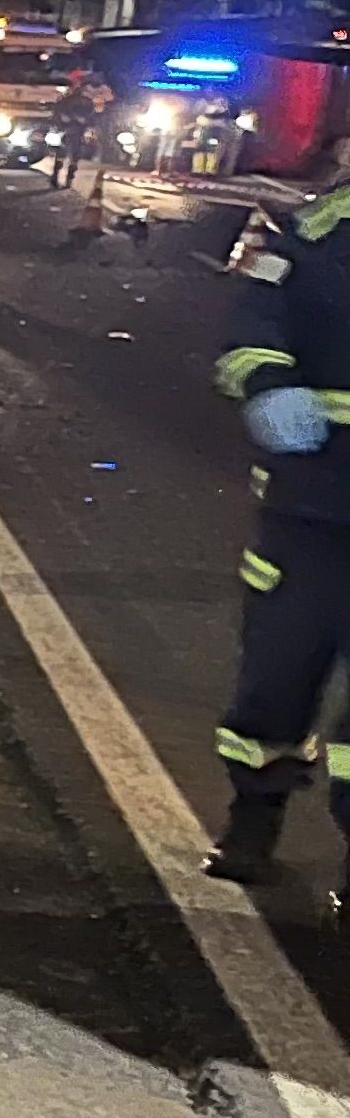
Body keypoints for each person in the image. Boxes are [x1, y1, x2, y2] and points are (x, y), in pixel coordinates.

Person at [202, 143, 350, 905]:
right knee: (278, 677)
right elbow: (251, 329)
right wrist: (269, 385)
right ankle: (253, 816)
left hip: (315, 501)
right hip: (313, 510)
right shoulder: (306, 239)